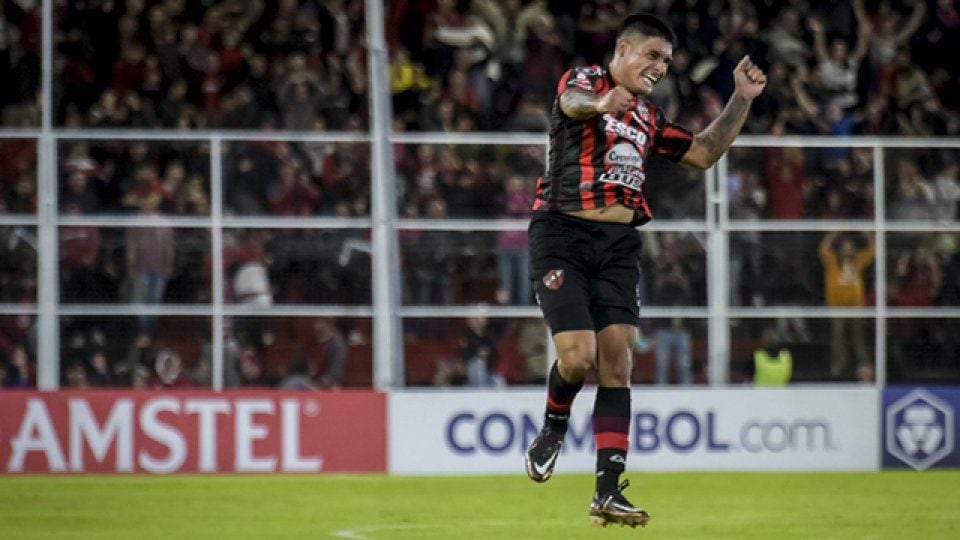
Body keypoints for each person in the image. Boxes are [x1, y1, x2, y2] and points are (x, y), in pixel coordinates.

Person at [523, 12, 766, 528]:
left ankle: (607, 492)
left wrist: (741, 99)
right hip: (562, 234)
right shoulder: (586, 81)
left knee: (618, 360)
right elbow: (570, 103)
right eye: (653, 55)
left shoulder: (648, 118)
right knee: (577, 355)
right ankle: (552, 426)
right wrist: (599, 103)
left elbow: (703, 152)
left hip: (618, 244)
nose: (660, 67)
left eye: (667, 61)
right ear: (624, 50)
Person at [819, 231, 874, 379]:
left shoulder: (858, 260)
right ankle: (838, 367)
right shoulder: (832, 262)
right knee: (838, 336)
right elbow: (823, 250)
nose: (847, 250)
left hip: (856, 306)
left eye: (849, 248)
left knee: (858, 337)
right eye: (844, 248)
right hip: (837, 306)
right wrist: (832, 234)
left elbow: (873, 251)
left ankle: (865, 365)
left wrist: (868, 235)